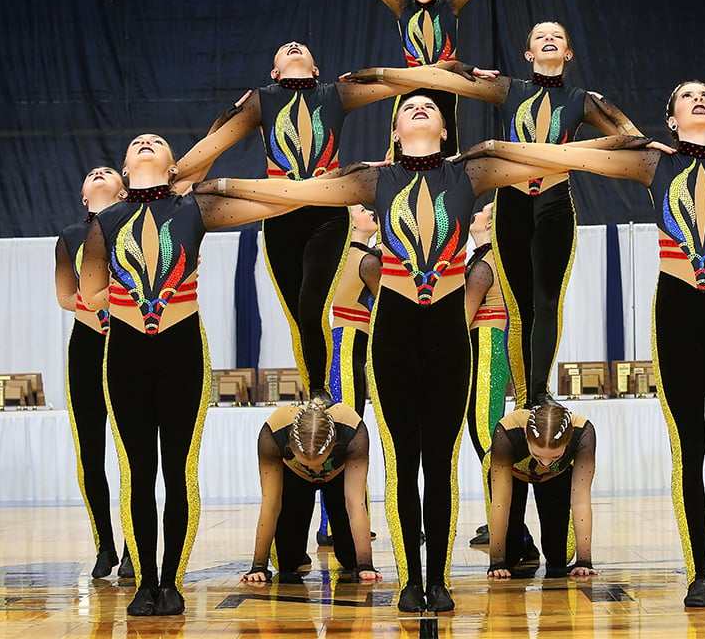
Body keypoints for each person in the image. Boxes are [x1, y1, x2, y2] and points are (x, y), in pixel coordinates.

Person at [193, 94, 650, 613]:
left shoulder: (470, 173)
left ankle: (439, 579)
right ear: (393, 131)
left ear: (444, 129)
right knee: (403, 464)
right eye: (407, 107)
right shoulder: (372, 179)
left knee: (440, 463)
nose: (419, 108)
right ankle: (412, 578)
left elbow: (556, 157)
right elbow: (296, 190)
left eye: (428, 108)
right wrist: (220, 185)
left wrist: (626, 141)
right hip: (393, 333)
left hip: (447, 337)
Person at [455, 80, 705, 608]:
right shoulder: (653, 164)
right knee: (689, 450)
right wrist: (499, 150)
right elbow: (575, 156)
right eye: (685, 97)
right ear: (669, 121)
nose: (697, 100)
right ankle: (698, 574)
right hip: (677, 314)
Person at [341, 23, 653, 408]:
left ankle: (540, 392)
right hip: (514, 204)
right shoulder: (510, 88)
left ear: (568, 53)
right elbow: (444, 75)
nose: (549, 39)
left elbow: (632, 138)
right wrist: (385, 73)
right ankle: (525, 399)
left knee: (547, 301)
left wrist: (585, 146)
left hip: (555, 203)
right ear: (528, 54)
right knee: (519, 305)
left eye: (557, 35)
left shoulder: (583, 99)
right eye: (540, 36)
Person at [79, 134, 300, 617]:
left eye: (156, 141)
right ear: (124, 163)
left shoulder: (194, 207)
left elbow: (269, 204)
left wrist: (308, 184)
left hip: (183, 350)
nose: (144, 143)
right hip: (126, 354)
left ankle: (172, 582)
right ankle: (144, 584)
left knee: (178, 471)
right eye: (136, 142)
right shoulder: (105, 223)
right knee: (138, 472)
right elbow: (90, 291)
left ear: (173, 163)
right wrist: (135, 300)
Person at [172, 43, 408, 405]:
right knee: (299, 318)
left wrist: (453, 71)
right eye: (284, 51)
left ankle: (320, 391)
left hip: (327, 211)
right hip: (278, 214)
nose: (293, 47)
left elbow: (397, 83)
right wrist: (169, 174)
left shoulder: (335, 94)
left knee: (312, 305)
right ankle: (313, 395)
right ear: (274, 73)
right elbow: (213, 146)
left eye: (301, 48)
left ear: (316, 70)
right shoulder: (262, 101)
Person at [54, 166, 134, 581]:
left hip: (127, 341)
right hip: (86, 346)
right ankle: (104, 544)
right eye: (91, 174)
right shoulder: (70, 235)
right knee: (91, 452)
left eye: (107, 171)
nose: (99, 174)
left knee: (130, 452)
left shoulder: (136, 227)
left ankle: (133, 547)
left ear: (124, 191)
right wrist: (99, 302)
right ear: (84, 196)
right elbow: (66, 296)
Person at [363, 0, 492, 156]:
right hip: (411, 85)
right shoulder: (401, 5)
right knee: (402, 155)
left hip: (446, 86)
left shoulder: (451, 3)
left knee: (447, 156)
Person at [241, 401, 380, 585]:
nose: (316, 469)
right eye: (307, 463)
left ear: (334, 446)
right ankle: (296, 552)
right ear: (290, 447)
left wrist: (365, 565)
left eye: (321, 461)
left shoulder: (352, 432)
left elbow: (355, 504)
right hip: (295, 478)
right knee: (288, 562)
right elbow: (271, 503)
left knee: (351, 559)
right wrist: (258, 566)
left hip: (338, 476)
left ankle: (356, 558)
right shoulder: (274, 434)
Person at [317, 204, 380, 548]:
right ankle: (339, 522)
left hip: (345, 344)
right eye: (362, 209)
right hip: (348, 346)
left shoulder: (343, 256)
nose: (370, 212)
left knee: (341, 434)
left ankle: (334, 521)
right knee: (348, 433)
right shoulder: (364, 259)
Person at [485, 404, 596, 579]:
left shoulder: (583, 433)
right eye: (537, 456)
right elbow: (501, 502)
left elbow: (581, 499)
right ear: (527, 439)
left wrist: (584, 560)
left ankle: (543, 547)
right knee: (510, 557)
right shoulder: (508, 431)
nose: (545, 463)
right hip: (513, 474)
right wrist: (496, 561)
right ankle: (525, 543)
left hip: (556, 476)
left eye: (554, 457)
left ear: (567, 442)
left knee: (559, 557)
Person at [463, 202, 512, 548]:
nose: (474, 213)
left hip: (486, 346)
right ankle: (499, 519)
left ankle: (507, 526)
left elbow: (462, 318)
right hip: (491, 346)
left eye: (480, 211)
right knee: (486, 437)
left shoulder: (484, 266)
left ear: (491, 225)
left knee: (485, 436)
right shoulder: (496, 259)